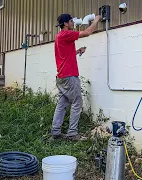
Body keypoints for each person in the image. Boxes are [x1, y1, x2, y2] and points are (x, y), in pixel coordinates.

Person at [50, 13, 101, 141]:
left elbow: (64, 54)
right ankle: (72, 133)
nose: (73, 23)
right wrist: (96, 20)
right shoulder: (66, 34)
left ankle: (55, 132)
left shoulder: (59, 36)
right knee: (77, 102)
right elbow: (88, 32)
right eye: (71, 21)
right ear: (66, 24)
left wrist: (78, 51)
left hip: (61, 76)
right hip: (69, 76)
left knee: (62, 104)